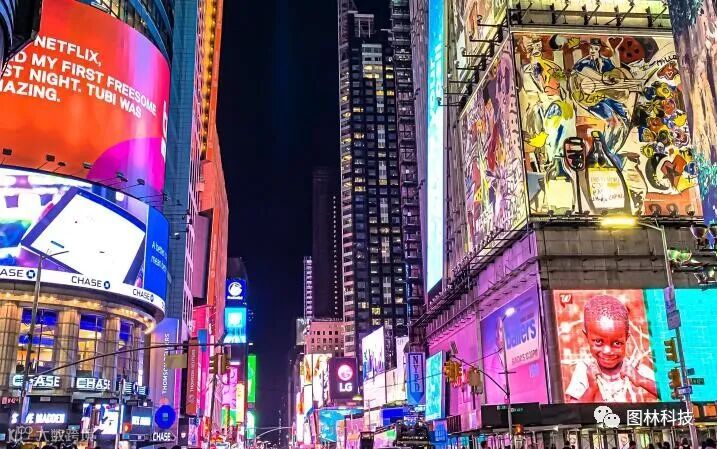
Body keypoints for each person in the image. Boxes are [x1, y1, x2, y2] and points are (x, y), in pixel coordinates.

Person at [565, 294, 658, 402]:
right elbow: (573, 409)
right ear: (587, 337)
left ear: (626, 338)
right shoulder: (586, 369)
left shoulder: (633, 367)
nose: (608, 351)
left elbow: (669, 395)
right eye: (598, 342)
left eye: (617, 343)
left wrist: (640, 380)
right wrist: (591, 389)